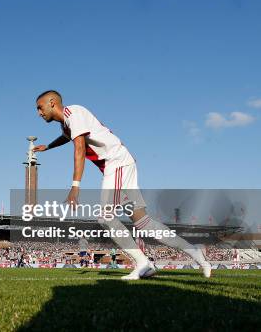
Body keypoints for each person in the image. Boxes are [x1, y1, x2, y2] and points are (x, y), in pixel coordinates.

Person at [33, 90, 211, 280]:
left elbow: (79, 147)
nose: (38, 112)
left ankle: (143, 263)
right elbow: (67, 137)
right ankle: (196, 253)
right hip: (122, 163)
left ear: (52, 102)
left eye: (39, 107)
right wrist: (49, 147)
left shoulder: (73, 114)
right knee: (144, 224)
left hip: (116, 162)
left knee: (105, 217)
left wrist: (75, 186)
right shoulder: (67, 124)